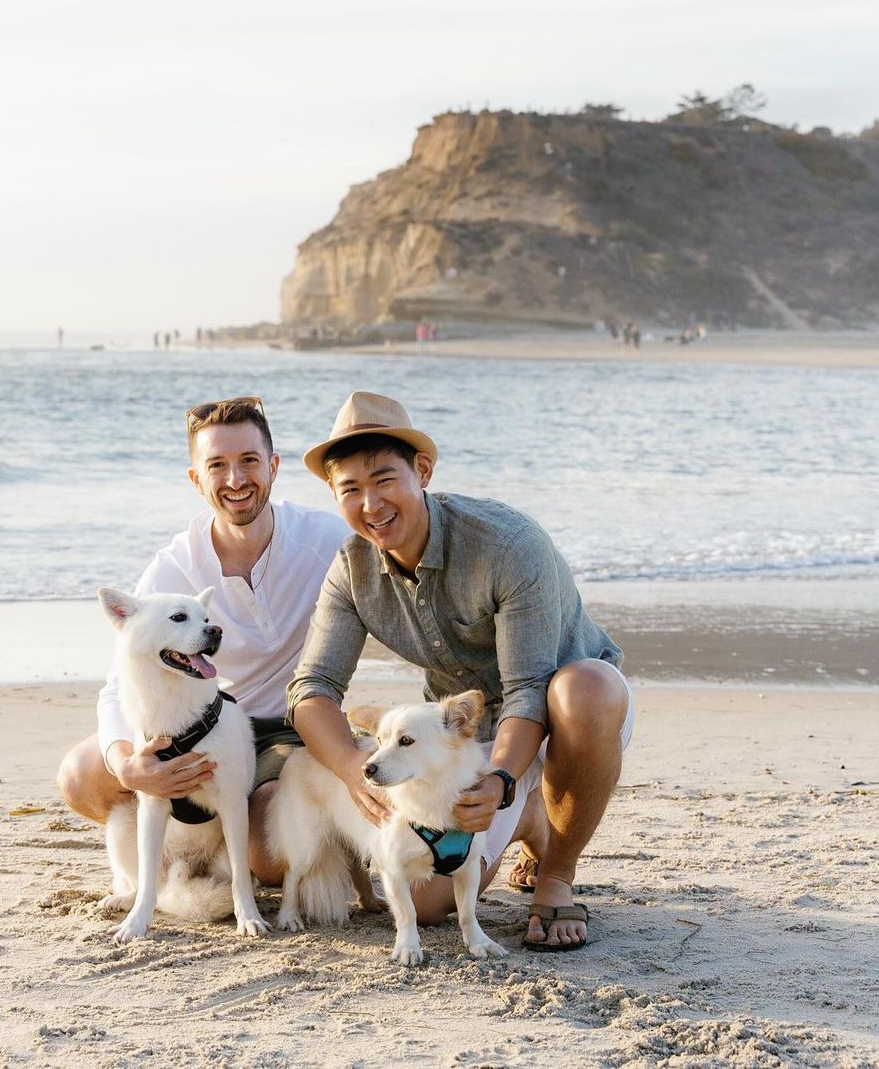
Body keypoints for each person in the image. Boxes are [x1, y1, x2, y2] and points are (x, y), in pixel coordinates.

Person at [287, 391, 633, 952]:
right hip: (466, 732)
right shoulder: (352, 569)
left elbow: (528, 690)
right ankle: (530, 818)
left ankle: (556, 875)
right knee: (426, 903)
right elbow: (312, 689)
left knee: (581, 688)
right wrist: (353, 769)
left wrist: (499, 782)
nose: (370, 504)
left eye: (384, 480)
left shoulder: (507, 544)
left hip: (573, 717)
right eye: (350, 489)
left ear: (423, 471)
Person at [57, 396, 350, 880]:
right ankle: (201, 835)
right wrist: (126, 764)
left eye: (249, 461)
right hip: (202, 726)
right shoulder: (173, 566)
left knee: (269, 859)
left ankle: (238, 841)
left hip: (288, 730)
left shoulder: (325, 539)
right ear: (196, 479)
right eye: (217, 465)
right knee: (79, 775)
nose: (235, 479)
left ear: (273, 467)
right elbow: (118, 686)